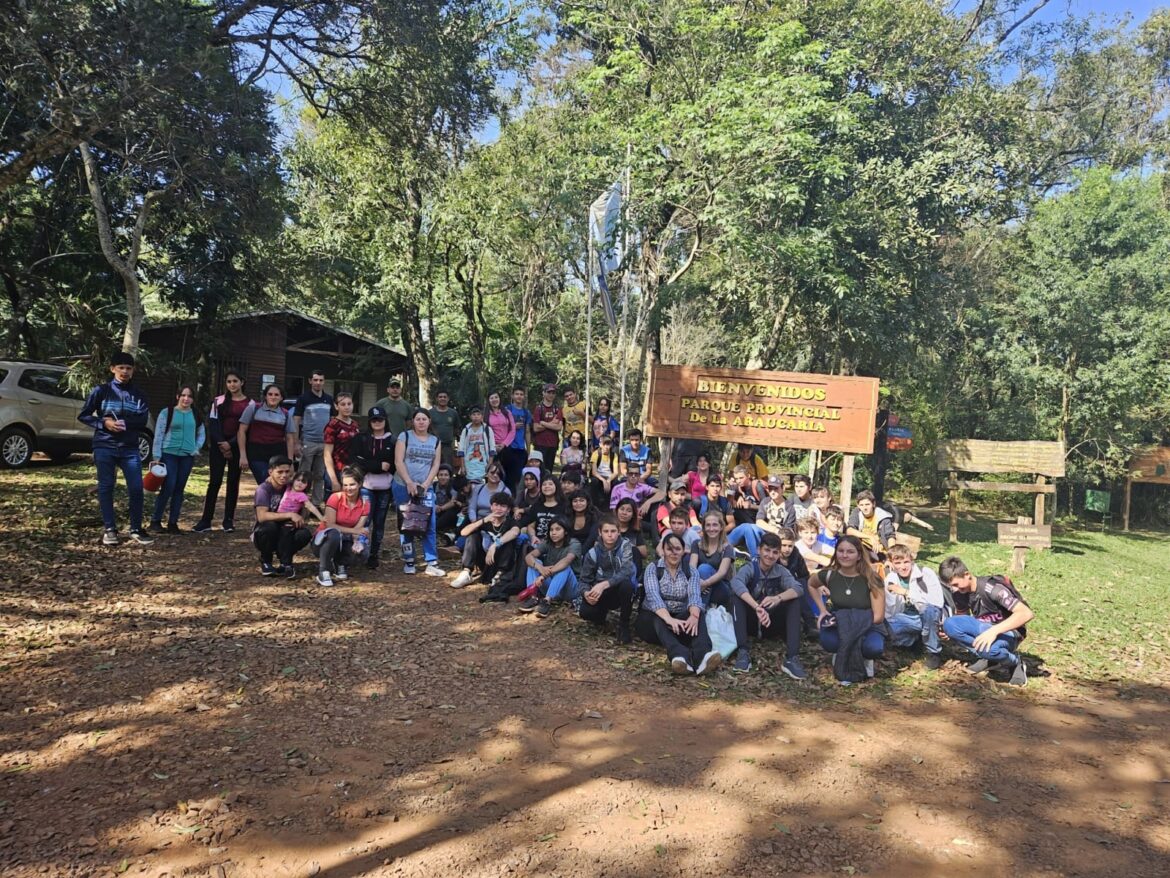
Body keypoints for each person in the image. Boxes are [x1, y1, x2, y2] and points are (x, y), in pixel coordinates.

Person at [78, 351, 154, 546]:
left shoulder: (139, 394)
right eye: (121, 368)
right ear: (112, 369)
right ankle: (110, 530)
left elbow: (142, 419)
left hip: (130, 448)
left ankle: (136, 529)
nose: (124, 372)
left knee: (137, 488)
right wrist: (105, 423)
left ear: (133, 370)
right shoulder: (101, 391)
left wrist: (125, 424)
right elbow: (84, 415)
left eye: (128, 368)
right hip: (104, 445)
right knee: (106, 486)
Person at [637, 532, 722, 675]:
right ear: (663, 550)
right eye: (669, 549)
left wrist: (694, 616)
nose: (673, 553)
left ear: (683, 551)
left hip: (679, 622)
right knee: (657, 617)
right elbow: (653, 597)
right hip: (653, 623)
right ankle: (679, 656)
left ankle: (702, 657)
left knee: (698, 612)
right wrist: (669, 619)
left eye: (677, 549)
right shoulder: (653, 568)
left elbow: (694, 595)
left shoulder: (691, 571)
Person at [939, 556, 1033, 686]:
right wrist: (949, 632)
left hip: (1010, 632)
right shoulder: (959, 593)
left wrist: (993, 631)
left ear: (967, 575)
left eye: (955, 584)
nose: (954, 589)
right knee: (950, 624)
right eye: (951, 586)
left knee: (988, 649)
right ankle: (990, 657)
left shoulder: (993, 589)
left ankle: (1015, 662)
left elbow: (1026, 613)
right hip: (984, 628)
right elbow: (962, 618)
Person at [808, 535, 888, 685]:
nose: (844, 555)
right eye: (841, 551)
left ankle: (863, 658)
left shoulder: (872, 578)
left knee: (873, 648)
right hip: (840, 623)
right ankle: (842, 653)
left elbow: (878, 617)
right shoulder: (830, 574)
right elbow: (811, 584)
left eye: (850, 552)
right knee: (829, 642)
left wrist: (853, 626)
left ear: (859, 555)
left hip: (867, 625)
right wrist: (822, 610)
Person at [729, 532, 807, 677]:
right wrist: (756, 607)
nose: (770, 556)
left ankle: (792, 658)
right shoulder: (750, 568)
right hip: (751, 621)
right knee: (736, 598)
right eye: (767, 550)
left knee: (794, 600)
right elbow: (736, 583)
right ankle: (743, 651)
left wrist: (778, 598)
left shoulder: (781, 571)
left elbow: (798, 588)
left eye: (775, 552)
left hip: (771, 622)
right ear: (759, 550)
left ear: (778, 555)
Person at [194, 370, 251, 533]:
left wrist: (231, 444)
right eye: (229, 382)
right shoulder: (218, 401)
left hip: (237, 446)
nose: (232, 384)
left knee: (233, 482)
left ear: (242, 382)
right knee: (214, 482)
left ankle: (228, 520)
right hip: (218, 447)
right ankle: (206, 520)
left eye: (235, 381)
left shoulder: (250, 404)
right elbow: (213, 424)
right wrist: (221, 443)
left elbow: (248, 428)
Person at [393, 408, 445, 577]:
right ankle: (409, 560)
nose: (421, 422)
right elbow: (398, 461)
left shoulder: (435, 441)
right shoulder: (405, 436)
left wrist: (426, 484)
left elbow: (435, 464)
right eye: (418, 419)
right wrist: (409, 481)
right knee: (406, 524)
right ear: (413, 421)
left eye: (424, 419)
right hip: (403, 485)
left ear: (429, 421)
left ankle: (431, 561)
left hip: (425, 487)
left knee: (429, 523)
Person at [148, 385, 206, 534]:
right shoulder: (167, 412)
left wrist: (196, 448)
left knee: (179, 489)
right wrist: (156, 456)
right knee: (169, 486)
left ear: (193, 399)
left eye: (189, 396)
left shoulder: (196, 414)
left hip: (187, 457)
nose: (186, 399)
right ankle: (155, 521)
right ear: (177, 396)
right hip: (169, 454)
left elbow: (201, 433)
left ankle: (173, 523)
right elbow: (159, 434)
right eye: (183, 395)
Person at [884, 544, 947, 671]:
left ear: (912, 560)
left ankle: (933, 651)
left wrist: (906, 592)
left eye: (906, 562)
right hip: (907, 617)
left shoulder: (925, 573)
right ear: (891, 563)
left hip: (928, 615)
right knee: (886, 630)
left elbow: (936, 603)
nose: (903, 567)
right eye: (898, 563)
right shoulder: (891, 578)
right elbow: (888, 609)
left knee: (928, 611)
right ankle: (915, 640)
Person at [578, 515, 637, 643]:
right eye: (606, 531)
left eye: (613, 531)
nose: (610, 535)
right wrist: (586, 593)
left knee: (627, 585)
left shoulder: (625, 546)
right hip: (601, 592)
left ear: (619, 531)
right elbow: (584, 580)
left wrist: (605, 584)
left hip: (619, 589)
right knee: (585, 612)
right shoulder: (593, 553)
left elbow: (626, 571)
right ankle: (601, 615)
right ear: (600, 532)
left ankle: (624, 625)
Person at [252, 455, 311, 578]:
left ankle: (285, 561)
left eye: (287, 472)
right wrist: (290, 514)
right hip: (266, 530)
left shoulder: (293, 486)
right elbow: (262, 516)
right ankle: (266, 560)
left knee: (304, 534)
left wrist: (304, 508)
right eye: (279, 472)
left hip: (287, 529)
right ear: (270, 472)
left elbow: (304, 515)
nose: (284, 475)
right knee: (269, 527)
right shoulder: (263, 489)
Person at [350, 406, 395, 569]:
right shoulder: (361, 438)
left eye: (380, 419)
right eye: (374, 420)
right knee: (365, 519)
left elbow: (394, 464)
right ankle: (361, 550)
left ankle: (374, 554)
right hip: (366, 485)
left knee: (380, 522)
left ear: (385, 421)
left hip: (385, 487)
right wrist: (377, 466)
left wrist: (383, 467)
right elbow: (355, 460)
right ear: (369, 422)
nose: (377, 422)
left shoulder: (392, 440)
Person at [311, 466, 370, 587]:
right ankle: (323, 571)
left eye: (352, 484)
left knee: (362, 553)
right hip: (324, 540)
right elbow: (330, 524)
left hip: (346, 540)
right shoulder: (335, 498)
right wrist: (354, 530)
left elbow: (359, 529)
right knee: (333, 533)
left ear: (360, 484)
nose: (348, 488)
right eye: (345, 485)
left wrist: (357, 541)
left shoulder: (365, 503)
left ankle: (340, 563)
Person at [451, 491, 522, 590]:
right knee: (473, 536)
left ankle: (500, 575)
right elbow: (463, 532)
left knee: (508, 540)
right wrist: (484, 520)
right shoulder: (486, 521)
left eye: (503, 506)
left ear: (508, 510)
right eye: (496, 505)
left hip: (503, 562)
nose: (498, 509)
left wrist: (495, 545)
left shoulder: (510, 522)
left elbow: (515, 532)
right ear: (491, 507)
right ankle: (466, 572)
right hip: (485, 561)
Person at [519, 517, 582, 618]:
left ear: (565, 531)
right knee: (535, 562)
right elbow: (529, 557)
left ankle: (547, 602)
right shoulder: (547, 542)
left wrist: (544, 575)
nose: (553, 533)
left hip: (570, 589)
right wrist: (540, 568)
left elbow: (567, 560)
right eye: (551, 530)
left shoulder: (574, 543)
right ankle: (533, 597)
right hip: (552, 585)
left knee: (565, 567)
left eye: (558, 529)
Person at [238, 383, 296, 484]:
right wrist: (243, 455)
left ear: (281, 397)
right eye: (270, 394)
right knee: (265, 481)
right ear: (265, 396)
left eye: (276, 395)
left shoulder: (286, 414)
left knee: (278, 484)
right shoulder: (253, 408)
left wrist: (290, 461)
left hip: (278, 453)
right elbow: (241, 431)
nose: (273, 397)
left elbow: (289, 438)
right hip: (256, 453)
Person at [292, 370, 334, 505]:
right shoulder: (303, 399)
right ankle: (298, 503)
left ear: (324, 382)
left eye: (321, 380)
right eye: (315, 380)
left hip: (324, 443)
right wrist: (296, 442)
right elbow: (296, 420)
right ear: (310, 381)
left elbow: (333, 421)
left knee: (319, 476)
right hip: (308, 442)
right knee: (303, 475)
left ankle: (316, 505)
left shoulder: (329, 399)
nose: (318, 383)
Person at [728, 474, 787, 557]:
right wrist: (738, 495)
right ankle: (754, 556)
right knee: (747, 526)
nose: (773, 492)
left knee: (748, 527)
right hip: (762, 530)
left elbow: (788, 531)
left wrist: (776, 531)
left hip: (776, 536)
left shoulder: (788, 506)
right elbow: (759, 521)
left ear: (783, 489)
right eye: (770, 489)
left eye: (776, 489)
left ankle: (755, 557)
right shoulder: (766, 501)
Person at [691, 510, 736, 612]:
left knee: (704, 568)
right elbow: (692, 567)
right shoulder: (696, 544)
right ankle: (700, 607)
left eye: (715, 525)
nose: (711, 529)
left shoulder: (727, 548)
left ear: (721, 527)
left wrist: (705, 583)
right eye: (708, 525)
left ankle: (699, 609)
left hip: (721, 589)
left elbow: (722, 572)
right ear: (704, 527)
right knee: (700, 570)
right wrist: (699, 582)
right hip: (699, 585)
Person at [323, 392, 361, 496]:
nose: (347, 407)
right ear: (336, 406)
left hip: (352, 472)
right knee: (333, 506)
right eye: (343, 404)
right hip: (336, 471)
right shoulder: (332, 425)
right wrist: (334, 480)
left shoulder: (355, 425)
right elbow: (327, 455)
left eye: (349, 404)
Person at [501, 388, 532, 491]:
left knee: (518, 477)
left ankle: (515, 499)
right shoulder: (507, 409)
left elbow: (527, 432)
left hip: (520, 448)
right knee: (505, 475)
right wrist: (513, 425)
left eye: (521, 394)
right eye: (517, 394)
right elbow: (501, 426)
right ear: (513, 396)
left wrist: (528, 450)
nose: (519, 396)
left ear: (524, 397)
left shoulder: (526, 412)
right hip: (508, 447)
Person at [522, 474, 565, 549]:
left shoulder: (564, 506)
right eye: (544, 484)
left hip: (556, 543)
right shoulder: (537, 506)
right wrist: (533, 537)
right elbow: (531, 526)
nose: (547, 486)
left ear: (556, 487)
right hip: (537, 541)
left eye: (550, 484)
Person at [847, 490, 895, 556]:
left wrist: (891, 555)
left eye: (867, 504)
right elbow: (849, 530)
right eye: (861, 505)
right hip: (863, 549)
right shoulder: (857, 513)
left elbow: (890, 536)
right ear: (858, 506)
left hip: (880, 552)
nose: (865, 508)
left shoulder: (883, 516)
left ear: (873, 504)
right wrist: (870, 537)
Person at [457, 405, 496, 483]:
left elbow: (492, 448)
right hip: (469, 463)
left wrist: (489, 464)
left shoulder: (487, 430)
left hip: (483, 462)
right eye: (474, 415)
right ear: (470, 416)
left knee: (482, 483)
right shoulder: (466, 430)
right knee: (470, 483)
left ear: (482, 416)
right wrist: (463, 466)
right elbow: (461, 450)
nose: (476, 417)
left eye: (478, 414)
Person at [531, 383, 563, 472]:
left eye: (553, 393)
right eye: (549, 392)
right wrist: (552, 423)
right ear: (544, 393)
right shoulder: (539, 408)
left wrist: (544, 423)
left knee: (549, 471)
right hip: (540, 444)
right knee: (538, 470)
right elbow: (536, 428)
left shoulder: (557, 409)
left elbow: (559, 427)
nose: (551, 395)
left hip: (553, 445)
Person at [613, 498, 648, 579]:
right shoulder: (609, 528)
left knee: (634, 550)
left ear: (633, 515)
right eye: (622, 509)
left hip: (630, 565)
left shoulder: (635, 531)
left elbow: (644, 553)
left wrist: (626, 545)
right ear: (617, 510)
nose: (624, 513)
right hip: (611, 562)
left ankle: (635, 580)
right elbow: (597, 545)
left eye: (629, 511)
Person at [428, 390, 461, 468]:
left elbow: (457, 428)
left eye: (444, 397)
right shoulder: (430, 413)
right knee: (431, 467)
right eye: (440, 397)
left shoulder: (453, 413)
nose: (442, 399)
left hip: (448, 446)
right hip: (432, 445)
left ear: (448, 399)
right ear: (436, 399)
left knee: (447, 468)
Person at [588, 434, 620, 507]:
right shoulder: (596, 454)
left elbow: (615, 472)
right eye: (604, 444)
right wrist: (603, 480)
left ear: (611, 445)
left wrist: (608, 480)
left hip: (610, 476)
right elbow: (594, 472)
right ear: (600, 444)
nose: (606, 447)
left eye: (608, 444)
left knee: (616, 483)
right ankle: (594, 505)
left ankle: (613, 505)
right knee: (594, 482)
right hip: (598, 476)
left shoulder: (614, 455)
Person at [433, 464, 463, 541]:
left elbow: (453, 501)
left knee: (452, 511)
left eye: (446, 475)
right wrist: (434, 506)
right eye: (441, 475)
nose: (443, 477)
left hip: (447, 512)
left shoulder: (453, 486)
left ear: (450, 476)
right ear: (437, 476)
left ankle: (436, 527)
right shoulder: (433, 486)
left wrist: (441, 508)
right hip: (435, 510)